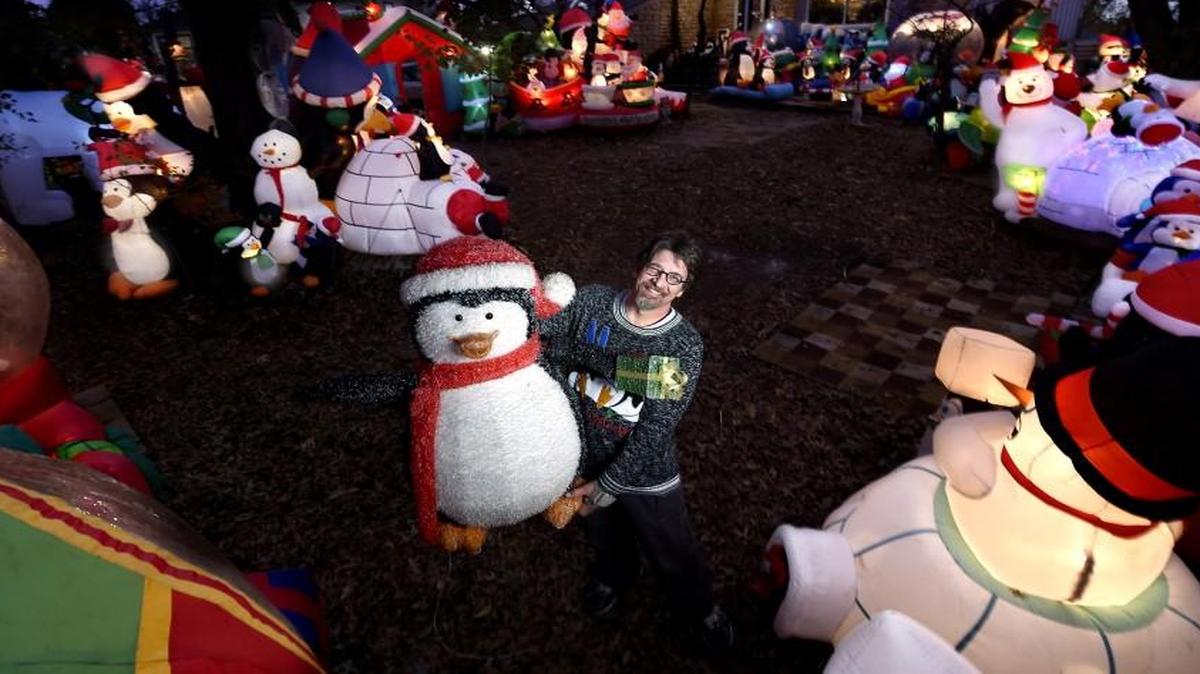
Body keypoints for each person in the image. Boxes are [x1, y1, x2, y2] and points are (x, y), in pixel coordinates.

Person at [541, 232, 733, 654]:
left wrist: (612, 482)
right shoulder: (591, 301)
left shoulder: (683, 345)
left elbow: (657, 423)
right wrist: (628, 370)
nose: (660, 283)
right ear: (638, 268)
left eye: (674, 279)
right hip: (582, 455)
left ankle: (701, 609)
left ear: (683, 291)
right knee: (603, 534)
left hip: (644, 469)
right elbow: (541, 342)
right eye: (654, 269)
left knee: (672, 546)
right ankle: (613, 578)